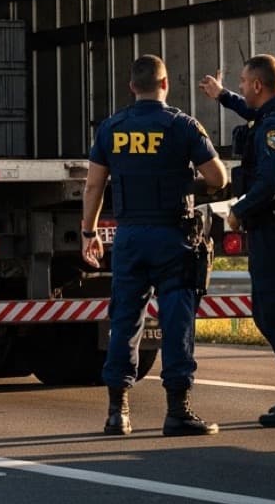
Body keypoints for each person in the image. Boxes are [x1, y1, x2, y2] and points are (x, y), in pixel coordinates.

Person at [83, 56, 229, 437]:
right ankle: (177, 411)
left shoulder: (111, 128)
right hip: (173, 236)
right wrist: (189, 185)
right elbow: (218, 177)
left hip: (130, 237)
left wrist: (89, 233)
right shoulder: (182, 126)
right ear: (165, 85)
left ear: (132, 87)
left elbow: (94, 186)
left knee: (125, 320)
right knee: (177, 320)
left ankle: (118, 412)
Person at [199, 55, 275, 427]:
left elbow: (272, 182)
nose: (239, 87)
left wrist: (240, 208)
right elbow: (251, 114)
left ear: (258, 85)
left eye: (241, 82)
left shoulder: (273, 124)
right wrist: (222, 96)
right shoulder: (271, 114)